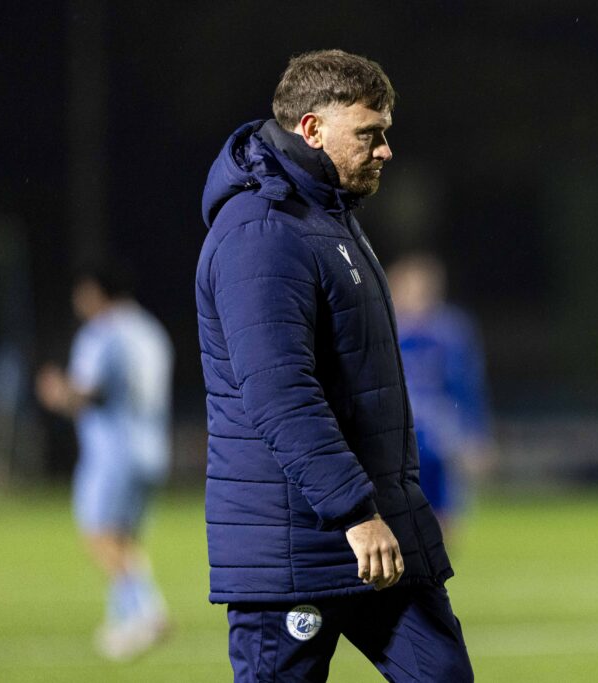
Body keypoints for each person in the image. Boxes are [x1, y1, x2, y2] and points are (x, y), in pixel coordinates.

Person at [196, 50, 473, 681]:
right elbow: (278, 391)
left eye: (386, 135)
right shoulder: (261, 231)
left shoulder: (326, 218)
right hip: (301, 544)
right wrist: (355, 512)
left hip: (379, 533)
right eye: (368, 135)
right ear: (313, 129)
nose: (384, 151)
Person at [35, 264, 173, 659]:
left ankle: (148, 611)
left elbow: (89, 394)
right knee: (124, 538)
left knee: (99, 535)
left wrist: (56, 392)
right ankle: (125, 620)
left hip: (114, 450)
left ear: (96, 293)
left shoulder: (103, 332)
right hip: (152, 448)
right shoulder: (149, 329)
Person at [388, 253, 492, 541]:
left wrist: (476, 435)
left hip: (440, 436)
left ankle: (434, 574)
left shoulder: (450, 330)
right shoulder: (387, 327)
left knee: (446, 516)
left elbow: (467, 385)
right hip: (397, 435)